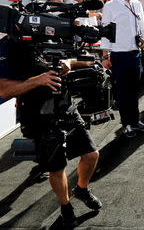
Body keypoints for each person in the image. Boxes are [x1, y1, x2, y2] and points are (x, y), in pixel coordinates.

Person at [0, 37, 102, 227]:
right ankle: (65, 206)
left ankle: (81, 189)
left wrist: (68, 63)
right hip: (39, 115)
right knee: (57, 168)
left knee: (91, 154)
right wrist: (39, 80)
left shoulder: (52, 31)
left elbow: (78, 60)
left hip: (65, 107)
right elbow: (4, 90)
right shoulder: (9, 45)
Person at [101, 0, 144, 138]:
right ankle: (127, 123)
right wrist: (105, 55)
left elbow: (142, 24)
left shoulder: (136, 4)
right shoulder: (110, 6)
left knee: (135, 90)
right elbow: (105, 32)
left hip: (135, 53)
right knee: (123, 92)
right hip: (119, 55)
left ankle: (136, 120)